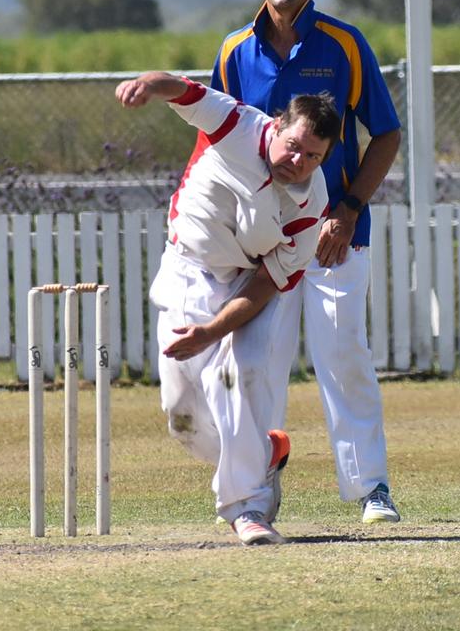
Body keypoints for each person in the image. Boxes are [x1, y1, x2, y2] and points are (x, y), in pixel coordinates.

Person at [211, 0, 403, 523]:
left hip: (334, 236)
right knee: (259, 364)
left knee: (343, 353)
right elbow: (219, 143)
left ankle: (371, 488)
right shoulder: (235, 50)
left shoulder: (342, 43)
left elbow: (386, 132)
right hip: (262, 239)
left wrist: (348, 211)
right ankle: (255, 495)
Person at [115, 70, 339, 545]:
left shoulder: (311, 206)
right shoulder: (236, 125)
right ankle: (265, 454)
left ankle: (248, 508)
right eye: (293, 146)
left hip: (245, 288)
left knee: (240, 374)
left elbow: (265, 285)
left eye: (313, 156)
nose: (298, 161)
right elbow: (185, 90)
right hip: (187, 271)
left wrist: (213, 331)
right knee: (182, 417)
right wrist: (149, 86)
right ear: (277, 125)